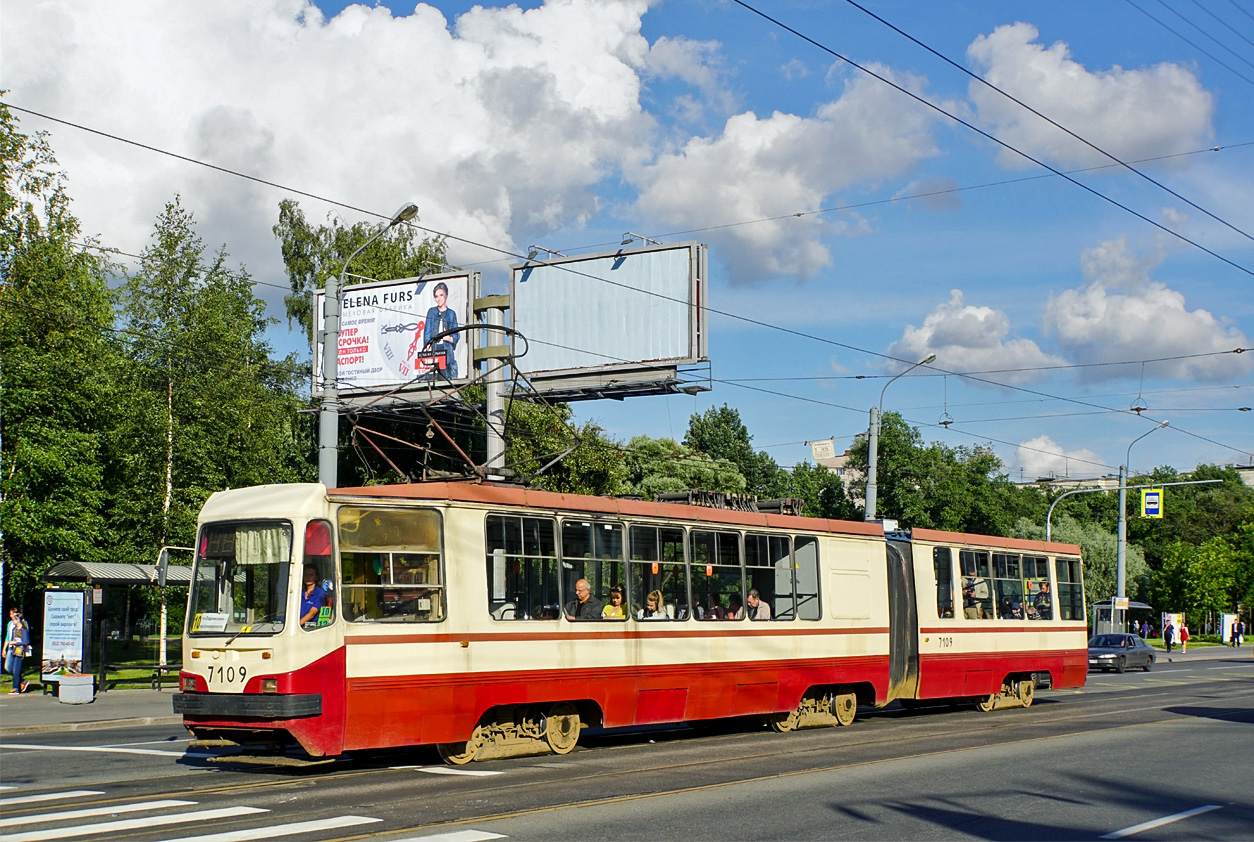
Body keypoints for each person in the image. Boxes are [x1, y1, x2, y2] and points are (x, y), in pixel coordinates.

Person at [423, 281, 459, 379]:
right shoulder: (431, 312)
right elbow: (427, 331)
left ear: (446, 295)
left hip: (446, 349)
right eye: (436, 296)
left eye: (441, 295)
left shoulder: (451, 314)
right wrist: (428, 344)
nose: (438, 299)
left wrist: (448, 338)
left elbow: (456, 335)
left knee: (447, 376)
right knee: (433, 375)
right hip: (434, 349)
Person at [4, 607, 30, 694]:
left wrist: (16, 643)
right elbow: (8, 637)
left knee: (16, 669)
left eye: (14, 614)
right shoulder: (10, 624)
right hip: (11, 648)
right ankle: (21, 681)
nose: (12, 617)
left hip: (19, 649)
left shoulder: (23, 624)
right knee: (8, 667)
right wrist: (5, 648)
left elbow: (25, 640)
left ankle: (16, 687)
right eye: (11, 614)